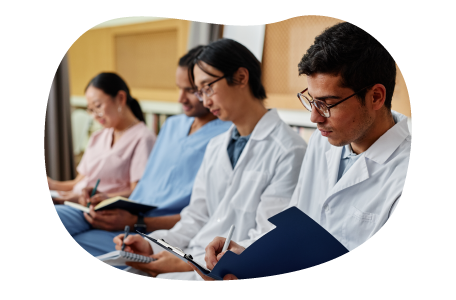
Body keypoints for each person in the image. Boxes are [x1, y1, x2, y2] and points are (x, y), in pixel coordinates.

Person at [197, 21, 410, 281]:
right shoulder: (324, 142)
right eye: (311, 100)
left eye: (327, 104)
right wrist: (248, 258)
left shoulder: (413, 177)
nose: (314, 117)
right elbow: (295, 238)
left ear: (376, 97)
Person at [113, 38, 307, 281]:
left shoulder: (289, 150)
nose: (204, 101)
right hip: (193, 260)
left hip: (230, 273)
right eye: (200, 91)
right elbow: (195, 217)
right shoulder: (217, 146)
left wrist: (187, 265)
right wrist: (151, 246)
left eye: (208, 87)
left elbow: (267, 239)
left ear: (241, 77)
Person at [53, 46, 232, 256]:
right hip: (127, 215)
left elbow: (205, 215)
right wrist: (107, 199)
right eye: (179, 89)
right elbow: (144, 189)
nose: (180, 99)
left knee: (65, 244)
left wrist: (137, 221)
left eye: (191, 90)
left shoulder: (225, 137)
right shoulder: (172, 126)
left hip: (153, 229)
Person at [47, 72, 156, 204]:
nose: (95, 116)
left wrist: (88, 199)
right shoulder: (98, 136)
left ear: (121, 98)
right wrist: (51, 184)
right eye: (91, 110)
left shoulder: (143, 139)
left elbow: (138, 192)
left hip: (97, 210)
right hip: (76, 204)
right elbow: (78, 183)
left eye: (98, 106)